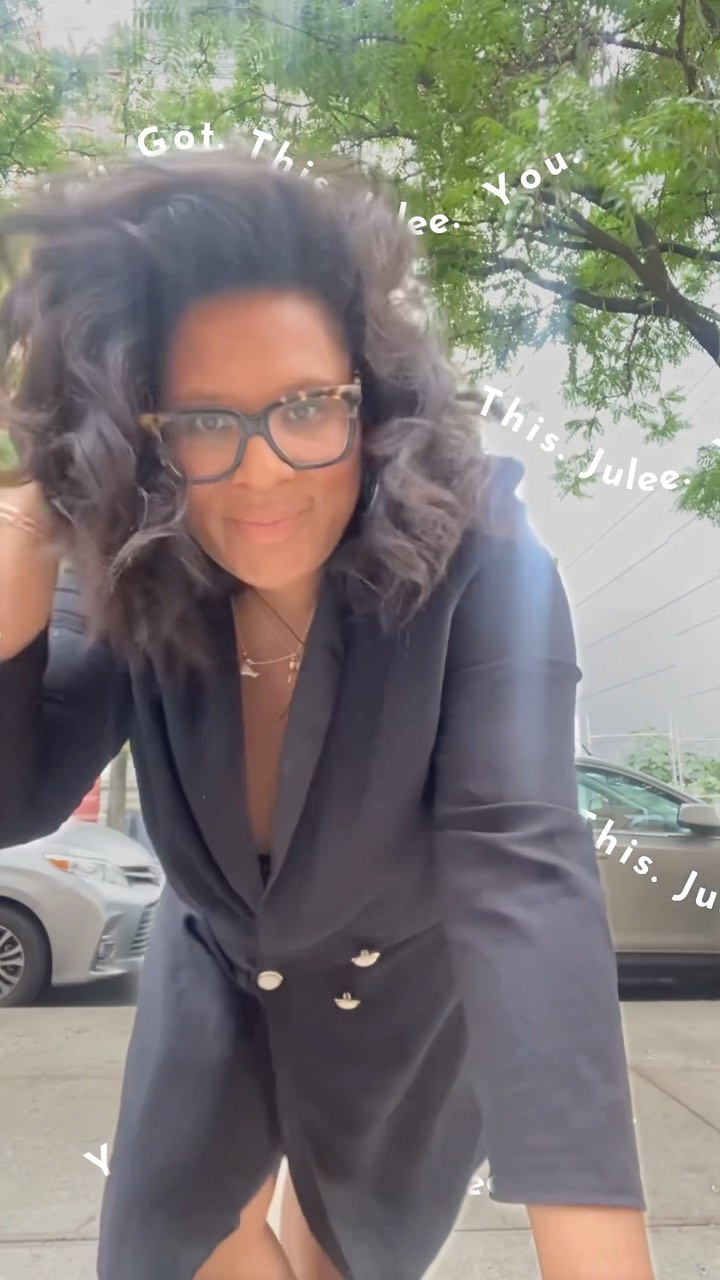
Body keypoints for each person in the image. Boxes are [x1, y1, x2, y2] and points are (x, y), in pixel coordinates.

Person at [0, 151, 654, 1280]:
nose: (261, 476)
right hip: (220, 963)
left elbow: (521, 863)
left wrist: (598, 1249)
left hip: (403, 994)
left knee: (347, 1257)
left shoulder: (486, 559)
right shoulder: (140, 558)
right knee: (175, 1249)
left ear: (370, 398)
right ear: (147, 433)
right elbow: (17, 794)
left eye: (305, 406)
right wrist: (31, 520)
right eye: (205, 418)